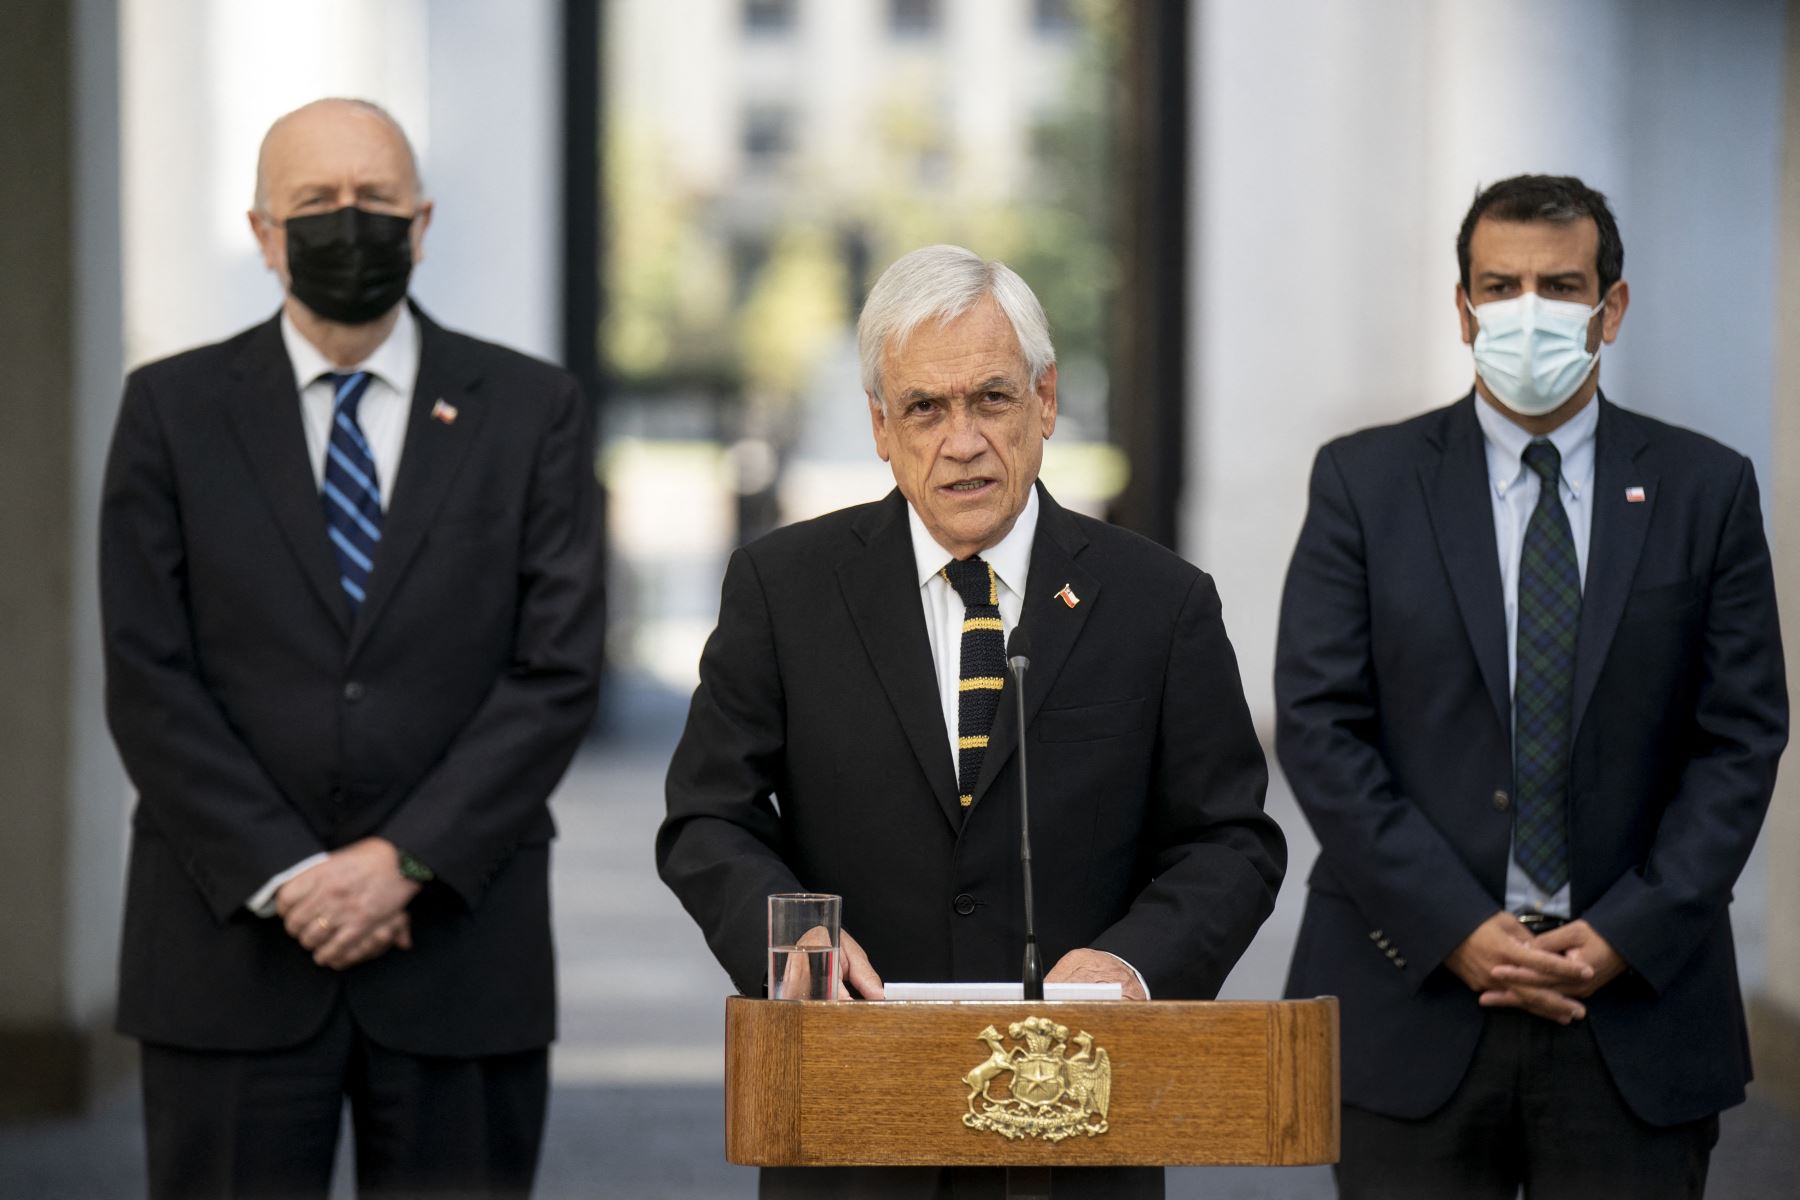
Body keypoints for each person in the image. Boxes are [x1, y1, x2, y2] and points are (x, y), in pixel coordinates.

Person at [658, 243, 1286, 1199]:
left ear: (1045, 401)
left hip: (1078, 1120)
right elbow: (709, 816)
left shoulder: (1160, 602)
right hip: (853, 1118)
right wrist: (786, 941)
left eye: (990, 400)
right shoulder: (784, 589)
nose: (961, 440)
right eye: (925, 407)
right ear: (879, 425)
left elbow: (1231, 841)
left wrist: (1134, 964)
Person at [100, 98, 606, 1199]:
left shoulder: (533, 411)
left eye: (375, 200)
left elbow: (556, 671)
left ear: (422, 222)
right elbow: (148, 677)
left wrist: (401, 861)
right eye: (316, 202)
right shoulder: (168, 412)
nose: (349, 223)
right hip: (226, 952)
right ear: (261, 230)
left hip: (461, 953)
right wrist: (290, 877)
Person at [1275, 174, 1788, 1198]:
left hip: (1635, 1015)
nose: (1528, 313)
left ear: (1613, 307)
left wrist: (1628, 935)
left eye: (1560, 286)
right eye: (1499, 286)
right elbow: (1321, 726)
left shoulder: (1706, 488)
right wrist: (1454, 928)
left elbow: (1739, 738)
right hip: (1410, 993)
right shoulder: (1364, 483)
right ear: (1463, 309)